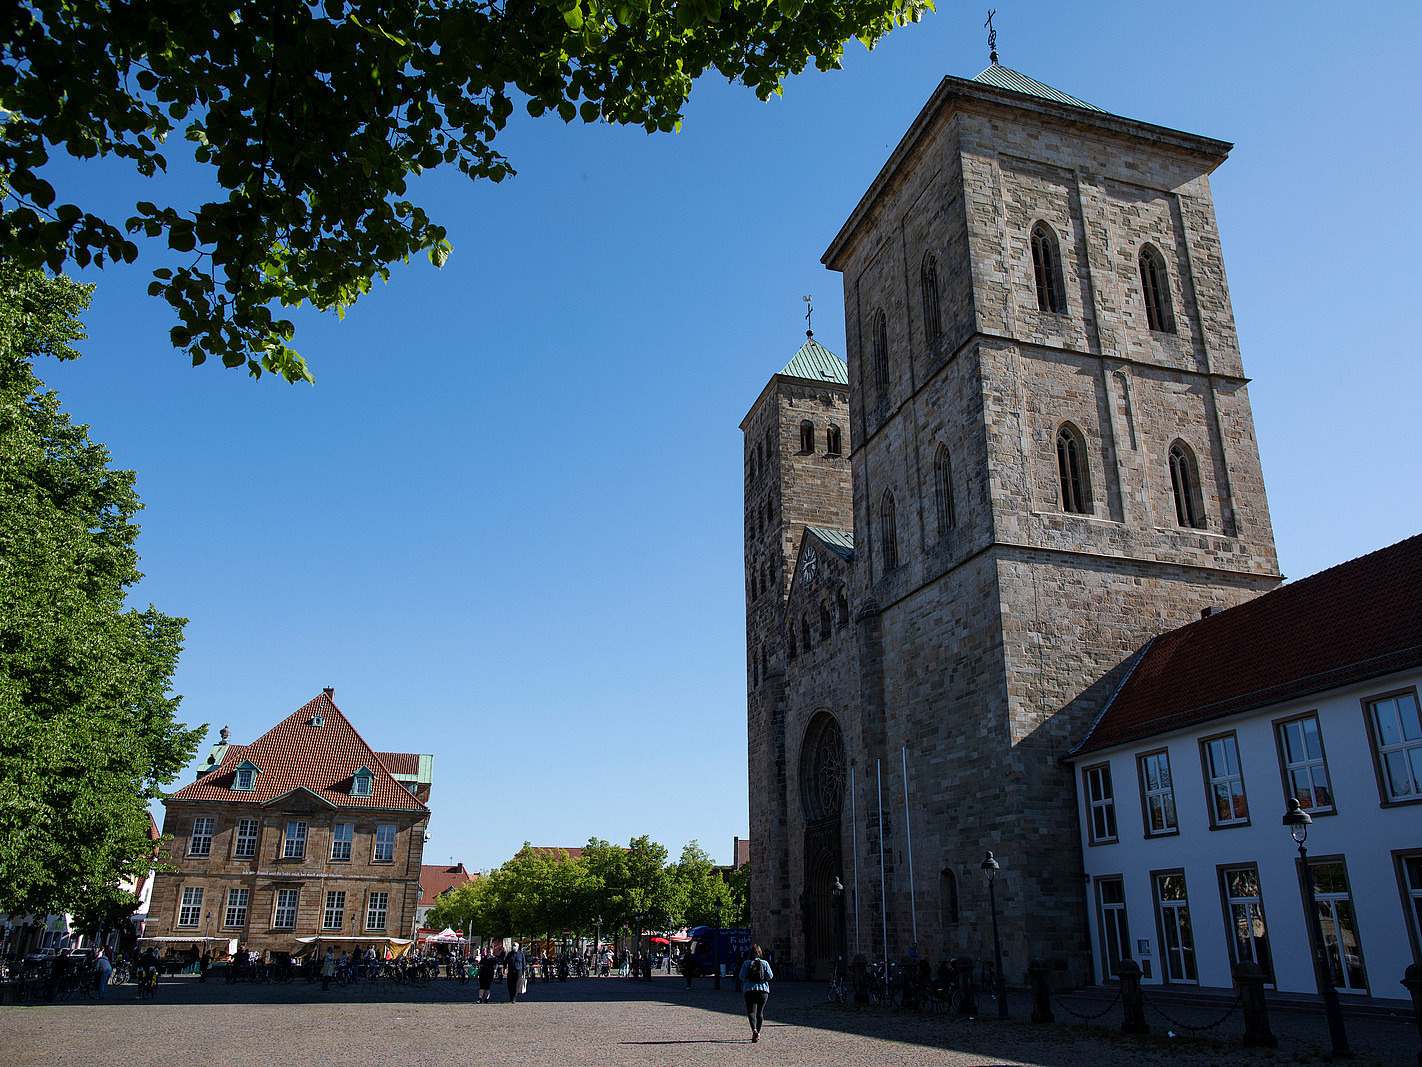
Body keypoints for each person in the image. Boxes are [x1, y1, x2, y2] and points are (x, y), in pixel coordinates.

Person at [736, 944, 773, 1043]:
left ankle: (754, 1030)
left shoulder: (746, 963)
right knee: (760, 1012)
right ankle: (759, 1032)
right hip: (763, 991)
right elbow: (770, 976)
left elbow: (742, 977)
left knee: (751, 1012)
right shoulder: (764, 963)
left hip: (749, 990)